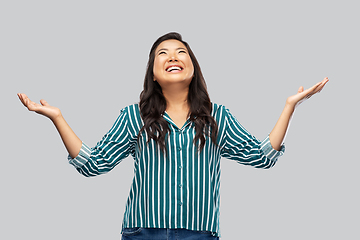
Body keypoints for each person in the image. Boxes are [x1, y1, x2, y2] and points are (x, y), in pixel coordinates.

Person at [18, 32, 328, 240]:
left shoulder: (216, 117)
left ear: (193, 67)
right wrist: (57, 118)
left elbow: (261, 157)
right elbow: (94, 164)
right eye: (162, 54)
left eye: (181, 52)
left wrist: (290, 106)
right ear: (153, 73)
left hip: (200, 233)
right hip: (143, 232)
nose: (172, 56)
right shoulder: (133, 116)